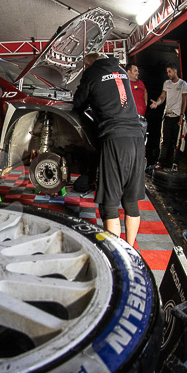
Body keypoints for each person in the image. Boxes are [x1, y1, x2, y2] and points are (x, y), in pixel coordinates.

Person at [73, 53, 145, 246]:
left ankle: (115, 253)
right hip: (137, 137)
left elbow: (78, 103)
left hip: (115, 140)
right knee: (131, 201)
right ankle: (129, 248)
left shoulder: (92, 73)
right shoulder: (121, 70)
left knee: (109, 204)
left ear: (88, 64)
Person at [149, 62, 187, 171]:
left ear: (175, 71)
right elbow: (162, 96)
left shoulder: (183, 84)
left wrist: (181, 115)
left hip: (177, 116)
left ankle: (175, 164)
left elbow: (184, 101)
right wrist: (157, 103)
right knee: (164, 140)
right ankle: (160, 162)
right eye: (167, 72)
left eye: (170, 72)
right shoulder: (166, 83)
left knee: (177, 141)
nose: (168, 74)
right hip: (168, 115)